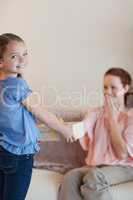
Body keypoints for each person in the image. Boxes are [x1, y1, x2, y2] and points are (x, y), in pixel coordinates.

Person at [0, 33, 74, 200]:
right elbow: (40, 112)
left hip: (4, 150)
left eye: (25, 54)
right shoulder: (17, 85)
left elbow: (16, 117)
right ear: (1, 61)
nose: (22, 60)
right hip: (19, 156)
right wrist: (63, 129)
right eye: (14, 56)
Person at [58, 67, 133, 200]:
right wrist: (60, 126)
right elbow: (80, 129)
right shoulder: (95, 113)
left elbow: (121, 153)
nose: (107, 92)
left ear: (125, 88)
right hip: (95, 166)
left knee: (94, 177)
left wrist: (111, 118)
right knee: (70, 177)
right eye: (105, 87)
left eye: (113, 87)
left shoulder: (130, 117)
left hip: (124, 167)